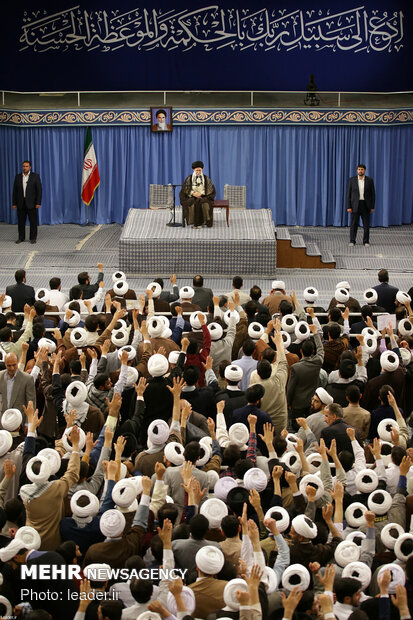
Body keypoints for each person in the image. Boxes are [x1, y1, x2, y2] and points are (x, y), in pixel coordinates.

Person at [12, 160, 42, 244]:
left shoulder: (35, 176)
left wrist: (38, 202)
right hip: (20, 203)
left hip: (32, 203)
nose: (25, 168)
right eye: (24, 166)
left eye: (26, 166)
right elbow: (15, 191)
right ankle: (21, 238)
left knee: (33, 221)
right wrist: (14, 203)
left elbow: (39, 190)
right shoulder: (17, 177)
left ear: (30, 167)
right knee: (21, 221)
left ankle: (33, 238)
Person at [180, 161, 216, 228]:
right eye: (197, 170)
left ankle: (205, 221)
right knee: (192, 203)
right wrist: (193, 193)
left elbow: (211, 189)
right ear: (194, 170)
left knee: (204, 203)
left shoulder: (206, 178)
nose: (198, 172)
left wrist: (201, 194)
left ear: (202, 170)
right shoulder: (189, 178)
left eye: (200, 170)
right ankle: (194, 222)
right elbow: (185, 189)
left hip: (203, 196)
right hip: (191, 196)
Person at [347, 163, 375, 247]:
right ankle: (352, 241)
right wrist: (349, 206)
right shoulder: (352, 180)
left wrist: (372, 206)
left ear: (364, 171)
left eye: (362, 169)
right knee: (353, 224)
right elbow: (349, 194)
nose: (360, 171)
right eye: (359, 169)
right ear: (357, 170)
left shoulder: (369, 180)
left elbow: (373, 194)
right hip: (355, 205)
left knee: (366, 225)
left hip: (365, 205)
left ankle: (366, 241)